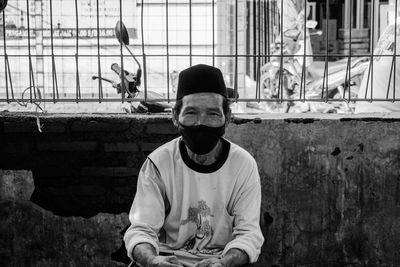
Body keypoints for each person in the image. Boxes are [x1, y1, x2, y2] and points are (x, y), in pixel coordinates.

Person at [123, 64, 264, 267]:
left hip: (219, 260)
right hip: (167, 259)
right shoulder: (159, 163)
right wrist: (152, 260)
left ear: (228, 119)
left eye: (213, 114)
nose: (201, 123)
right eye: (191, 113)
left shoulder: (243, 165)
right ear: (175, 117)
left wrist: (224, 263)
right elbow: (141, 230)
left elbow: (248, 234)